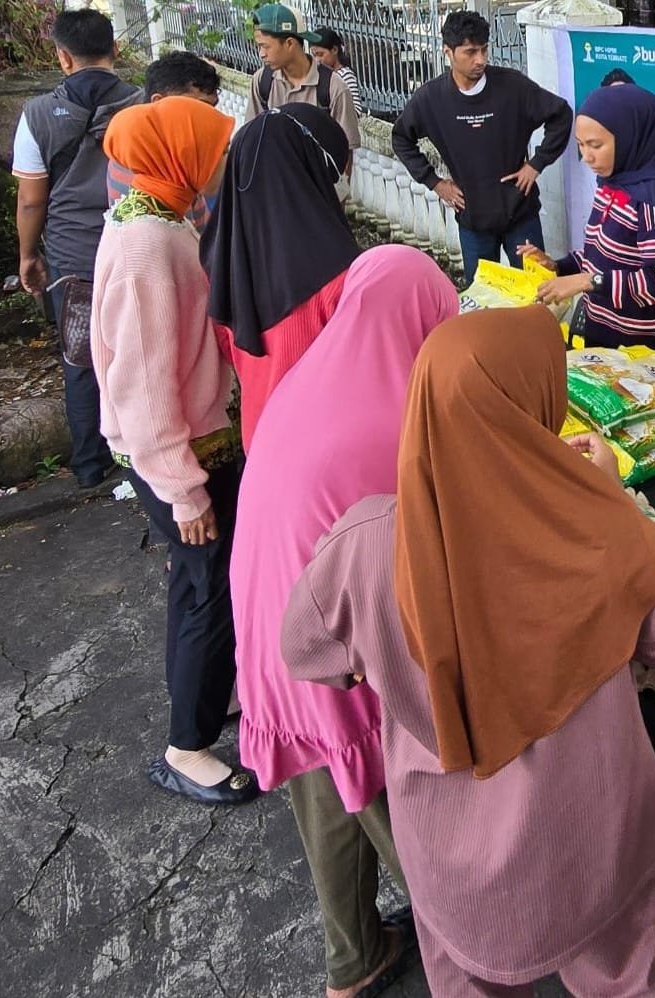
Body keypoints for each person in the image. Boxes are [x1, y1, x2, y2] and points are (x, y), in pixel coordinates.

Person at [281, 305, 655, 996]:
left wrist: (388, 650)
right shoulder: (598, 532)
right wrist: (609, 499)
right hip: (596, 851)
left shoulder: (364, 544)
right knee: (629, 977)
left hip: (455, 866)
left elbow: (305, 654)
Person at [231, 244, 457, 998]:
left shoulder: (314, 376)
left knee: (330, 787)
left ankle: (353, 961)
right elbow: (427, 551)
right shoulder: (393, 417)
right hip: (332, 644)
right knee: (406, 817)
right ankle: (472, 950)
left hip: (272, 636)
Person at [90, 96, 257, 806]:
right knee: (207, 593)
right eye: (215, 147)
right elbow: (144, 381)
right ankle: (186, 749)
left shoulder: (160, 217)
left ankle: (209, 693)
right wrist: (182, 489)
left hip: (196, 442)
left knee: (198, 588)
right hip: (183, 453)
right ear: (181, 154)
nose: (224, 159)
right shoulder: (146, 244)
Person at [13, 9, 143, 488]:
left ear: (62, 57)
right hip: (137, 245)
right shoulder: (143, 103)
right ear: (115, 50)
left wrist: (29, 256)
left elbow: (31, 200)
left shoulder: (36, 114)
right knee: (141, 348)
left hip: (74, 257)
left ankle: (90, 464)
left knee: (82, 356)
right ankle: (144, 452)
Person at [200, 104, 360, 451]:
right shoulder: (341, 277)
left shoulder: (220, 260)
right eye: (334, 172)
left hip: (261, 445)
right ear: (310, 173)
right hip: (324, 452)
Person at [391, 9, 572, 284]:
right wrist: (434, 182)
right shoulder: (431, 99)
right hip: (473, 220)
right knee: (482, 297)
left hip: (521, 215)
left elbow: (561, 115)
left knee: (538, 292)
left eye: (484, 50)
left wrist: (536, 164)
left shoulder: (512, 86)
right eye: (471, 52)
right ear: (448, 52)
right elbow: (401, 138)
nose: (481, 60)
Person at [529, 83, 655, 353]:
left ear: (628, 137)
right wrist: (558, 266)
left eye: (595, 145)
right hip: (602, 331)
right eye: (581, 145)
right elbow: (600, 253)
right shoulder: (612, 183)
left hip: (643, 347)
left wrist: (587, 282)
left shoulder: (654, 198)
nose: (586, 157)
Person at [107, 51, 222, 231]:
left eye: (212, 108)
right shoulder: (151, 164)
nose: (209, 118)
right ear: (158, 102)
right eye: (198, 107)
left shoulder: (144, 147)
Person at [247, 2, 360, 179]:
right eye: (259, 46)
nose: (261, 54)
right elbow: (251, 139)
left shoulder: (333, 87)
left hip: (318, 187)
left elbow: (345, 153)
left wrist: (334, 195)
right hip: (276, 185)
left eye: (265, 46)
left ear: (289, 43)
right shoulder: (262, 82)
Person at [311, 27, 363, 116]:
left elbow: (356, 110)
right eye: (314, 55)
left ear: (334, 50)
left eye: (321, 54)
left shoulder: (345, 75)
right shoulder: (318, 74)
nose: (317, 60)